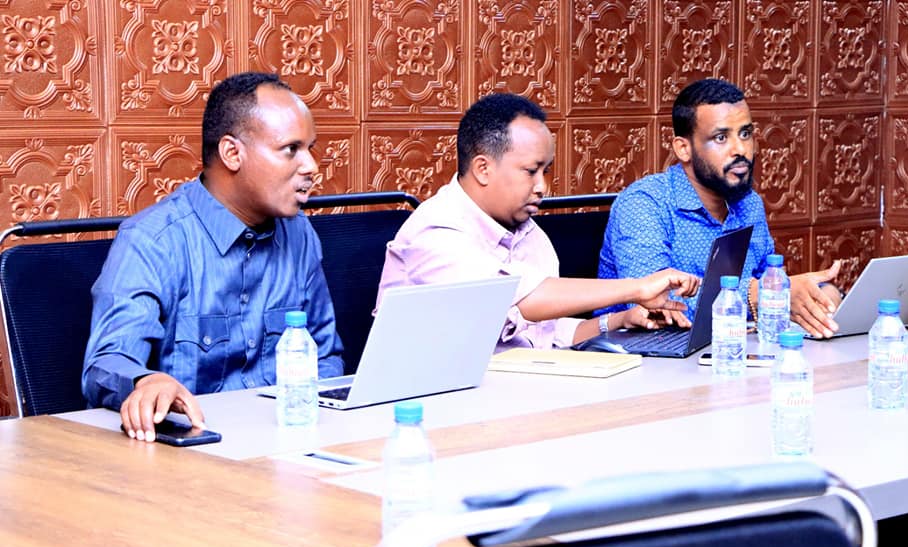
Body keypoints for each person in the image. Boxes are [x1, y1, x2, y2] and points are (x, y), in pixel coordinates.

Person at [82, 72, 344, 442]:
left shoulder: (299, 233)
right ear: (232, 153)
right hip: (192, 453)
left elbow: (326, 357)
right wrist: (146, 381)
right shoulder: (153, 241)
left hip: (288, 446)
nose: (311, 166)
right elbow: (106, 363)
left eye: (310, 148)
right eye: (291, 149)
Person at [375, 93, 700, 350]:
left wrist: (619, 320)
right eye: (531, 171)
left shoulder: (530, 234)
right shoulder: (436, 232)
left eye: (546, 171)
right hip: (431, 404)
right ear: (483, 169)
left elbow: (544, 336)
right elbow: (521, 299)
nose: (542, 186)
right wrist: (638, 287)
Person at [598, 78, 843, 338]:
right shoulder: (644, 204)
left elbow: (768, 285)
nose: (740, 149)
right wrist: (758, 294)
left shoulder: (749, 204)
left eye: (745, 134)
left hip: (734, 348)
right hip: (642, 353)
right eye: (721, 137)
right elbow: (658, 307)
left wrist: (817, 299)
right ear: (683, 149)